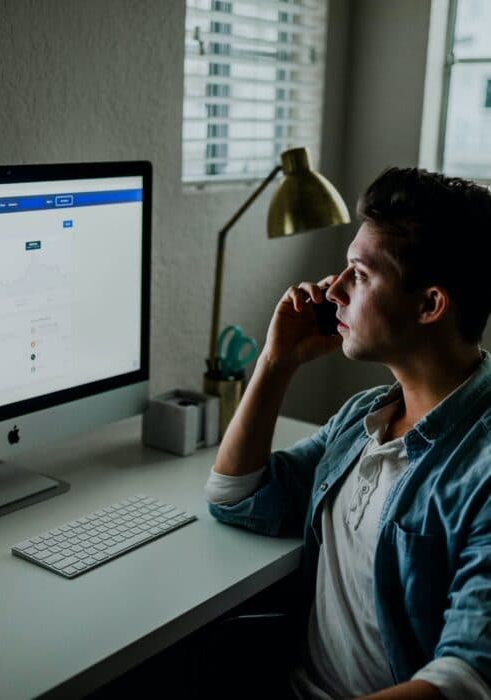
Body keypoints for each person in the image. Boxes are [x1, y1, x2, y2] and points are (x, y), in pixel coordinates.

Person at [204, 167, 491, 699]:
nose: (332, 289)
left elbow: (464, 682)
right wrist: (275, 361)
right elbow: (235, 496)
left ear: (429, 304)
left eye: (358, 274)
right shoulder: (365, 420)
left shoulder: (482, 470)